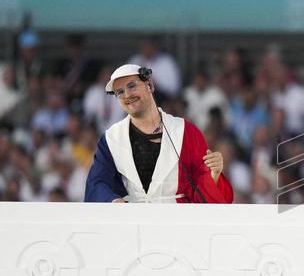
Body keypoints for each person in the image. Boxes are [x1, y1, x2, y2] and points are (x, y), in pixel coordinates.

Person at [84, 64, 233, 203]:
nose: (127, 95)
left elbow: (202, 190)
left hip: (176, 223)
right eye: (120, 92)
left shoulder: (185, 131)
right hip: (133, 224)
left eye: (132, 86)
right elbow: (97, 182)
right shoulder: (111, 138)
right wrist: (114, 201)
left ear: (150, 85)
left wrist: (214, 175)